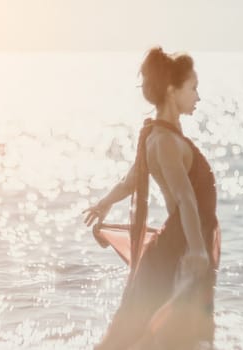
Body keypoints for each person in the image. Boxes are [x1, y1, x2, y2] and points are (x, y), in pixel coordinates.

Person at [83, 47, 221, 349]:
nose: (198, 96)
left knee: (159, 333)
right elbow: (186, 199)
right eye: (193, 88)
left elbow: (129, 181)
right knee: (152, 335)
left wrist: (104, 203)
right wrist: (198, 251)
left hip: (183, 243)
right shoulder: (166, 142)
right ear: (172, 91)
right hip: (180, 249)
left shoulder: (160, 137)